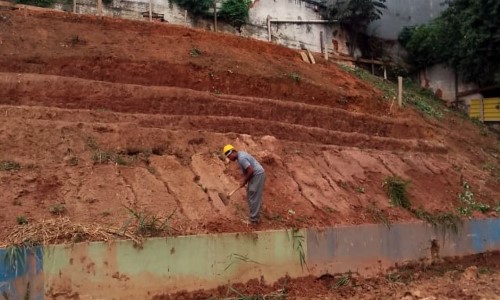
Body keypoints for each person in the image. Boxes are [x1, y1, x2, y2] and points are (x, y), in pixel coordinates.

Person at [223, 144, 266, 225]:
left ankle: (254, 220)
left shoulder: (241, 158)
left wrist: (244, 180)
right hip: (255, 175)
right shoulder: (240, 156)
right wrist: (245, 181)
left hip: (258, 175)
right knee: (251, 195)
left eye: (229, 157)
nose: (230, 159)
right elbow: (249, 171)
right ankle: (254, 217)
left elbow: (251, 170)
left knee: (253, 195)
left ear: (232, 152)